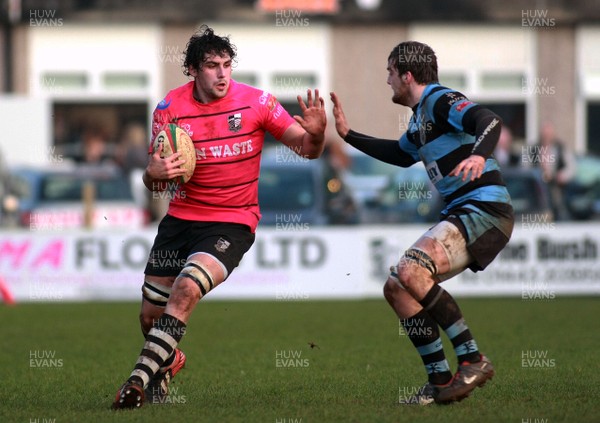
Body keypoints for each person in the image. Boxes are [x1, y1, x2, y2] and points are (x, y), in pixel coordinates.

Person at [112, 25, 326, 409]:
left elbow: (307, 149)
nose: (223, 73)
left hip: (232, 221)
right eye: (212, 66)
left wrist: (318, 135)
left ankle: (135, 384)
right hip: (180, 222)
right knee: (149, 317)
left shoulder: (258, 102)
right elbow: (156, 179)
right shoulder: (169, 109)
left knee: (187, 289)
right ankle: (169, 360)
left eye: (227, 65)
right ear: (193, 70)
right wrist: (151, 176)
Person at [330, 41, 514, 405]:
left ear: (407, 75)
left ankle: (473, 358)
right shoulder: (419, 119)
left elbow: (489, 120)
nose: (387, 81)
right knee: (396, 287)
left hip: (484, 210)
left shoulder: (440, 100)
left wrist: (479, 155)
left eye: (390, 73)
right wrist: (348, 135)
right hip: (464, 211)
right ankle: (440, 380)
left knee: (411, 271)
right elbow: (400, 155)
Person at [532, 121, 575, 220]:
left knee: (559, 211)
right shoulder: (533, 149)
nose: (547, 137)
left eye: (549, 134)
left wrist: (563, 175)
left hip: (558, 189)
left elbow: (571, 167)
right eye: (545, 135)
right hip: (538, 189)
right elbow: (524, 169)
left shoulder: (561, 148)